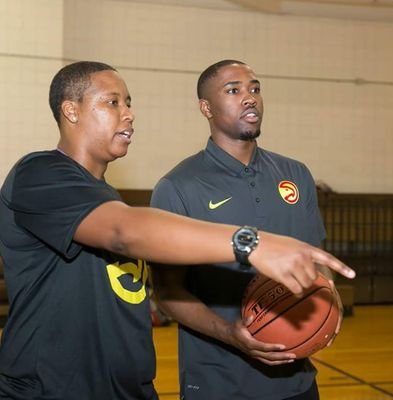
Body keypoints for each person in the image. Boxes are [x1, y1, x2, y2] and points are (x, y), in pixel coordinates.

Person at [0, 61, 354, 400]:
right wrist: (251, 242)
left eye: (128, 103)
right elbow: (125, 231)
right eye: (112, 102)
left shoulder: (105, 197)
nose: (129, 113)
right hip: (51, 391)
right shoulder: (38, 174)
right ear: (71, 111)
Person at [150, 60, 345, 400]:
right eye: (233, 90)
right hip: (218, 384)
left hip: (296, 380)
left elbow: (314, 260)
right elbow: (167, 293)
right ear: (206, 107)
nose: (249, 97)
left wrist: (328, 294)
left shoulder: (296, 174)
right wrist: (229, 333)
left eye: (254, 88)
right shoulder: (178, 187)